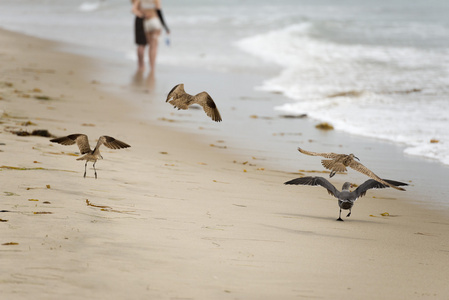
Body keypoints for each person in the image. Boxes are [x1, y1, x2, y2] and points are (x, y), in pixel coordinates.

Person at [132, 0, 170, 73]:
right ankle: (152, 68)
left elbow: (134, 9)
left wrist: (142, 15)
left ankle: (145, 66)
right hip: (155, 21)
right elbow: (159, 12)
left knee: (149, 46)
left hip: (146, 23)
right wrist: (165, 27)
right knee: (153, 47)